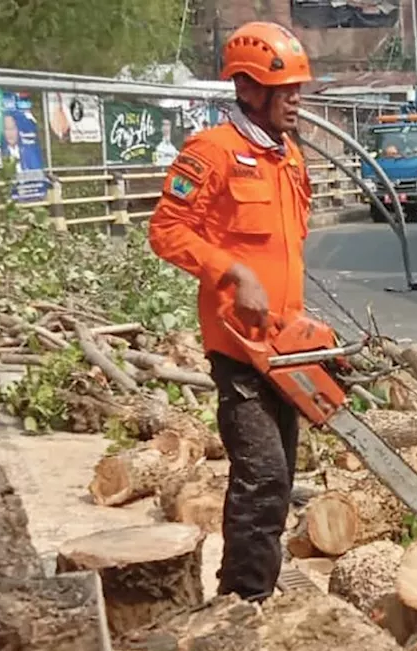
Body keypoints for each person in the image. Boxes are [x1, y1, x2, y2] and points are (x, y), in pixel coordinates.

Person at [148, 20, 314, 602]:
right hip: (239, 350)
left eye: (299, 88)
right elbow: (166, 231)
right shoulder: (212, 152)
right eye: (284, 88)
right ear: (247, 89)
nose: (296, 100)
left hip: (285, 343)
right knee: (262, 477)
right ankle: (244, 603)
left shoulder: (288, 156)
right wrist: (232, 271)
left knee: (280, 480)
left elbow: (286, 248)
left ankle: (254, 589)